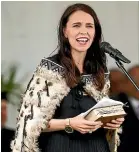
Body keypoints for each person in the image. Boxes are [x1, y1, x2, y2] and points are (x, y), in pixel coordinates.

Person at [11, 3, 124, 152]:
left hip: (97, 146)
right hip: (62, 146)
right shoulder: (49, 69)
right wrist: (69, 123)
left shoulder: (99, 71)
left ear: (95, 32)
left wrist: (111, 121)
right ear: (65, 31)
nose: (84, 31)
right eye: (77, 25)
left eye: (89, 26)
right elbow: (30, 122)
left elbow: (100, 114)